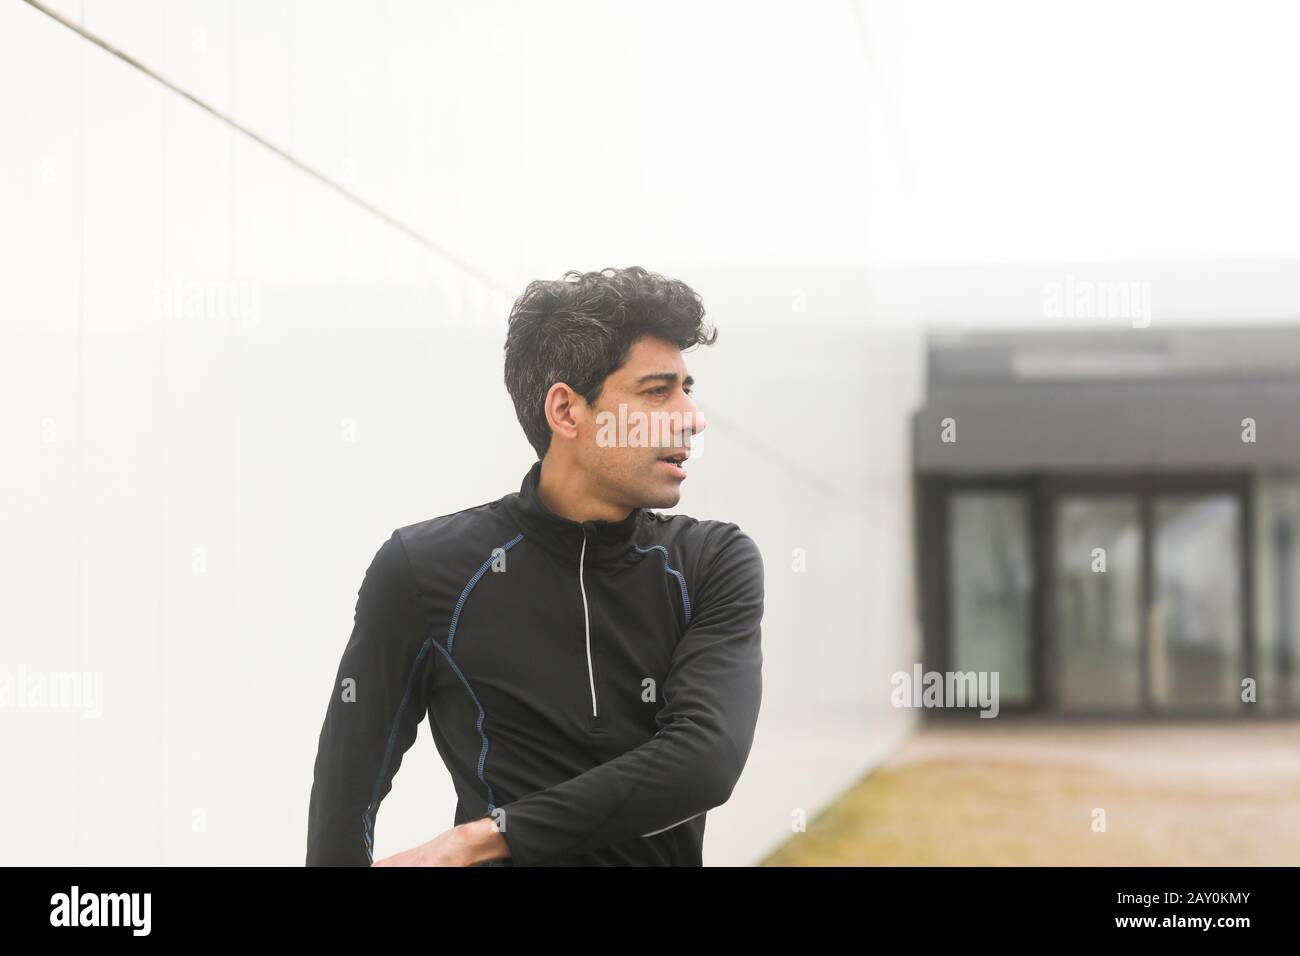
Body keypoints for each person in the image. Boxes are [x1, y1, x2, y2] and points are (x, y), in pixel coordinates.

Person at [305, 266, 764, 866]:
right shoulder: (424, 568)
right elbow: (347, 791)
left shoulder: (712, 563)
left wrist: (478, 841)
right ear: (567, 412)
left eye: (687, 389)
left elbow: (705, 762)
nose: (692, 417)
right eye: (658, 392)